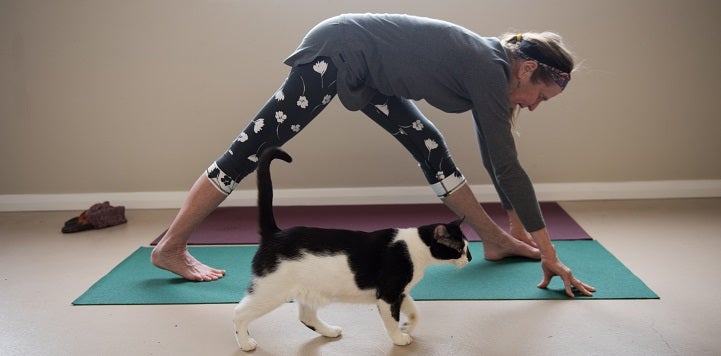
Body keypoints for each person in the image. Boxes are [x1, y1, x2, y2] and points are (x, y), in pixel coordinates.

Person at [151, 13, 595, 297]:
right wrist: (548, 252)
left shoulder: (494, 69)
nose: (534, 106)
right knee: (252, 147)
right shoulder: (488, 66)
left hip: (370, 70)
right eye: (540, 96)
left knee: (431, 147)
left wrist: (516, 228)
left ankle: (494, 241)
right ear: (529, 67)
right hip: (339, 52)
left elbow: (496, 155)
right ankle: (171, 246)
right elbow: (506, 164)